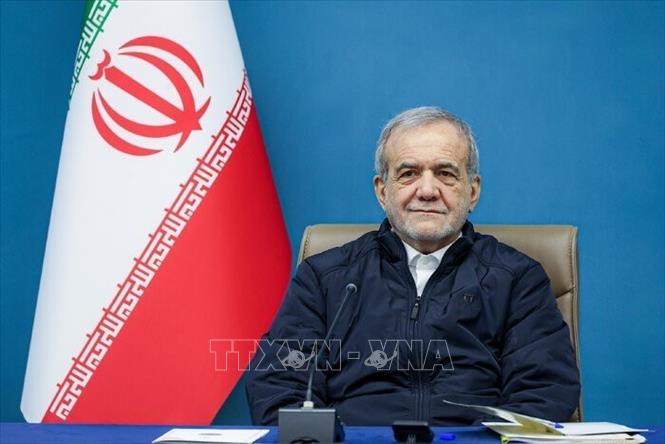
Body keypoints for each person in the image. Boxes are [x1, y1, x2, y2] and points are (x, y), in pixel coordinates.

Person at [246, 106, 580, 426]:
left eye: (446, 174)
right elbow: (280, 385)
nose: (428, 190)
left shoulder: (517, 279)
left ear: (473, 191)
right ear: (382, 191)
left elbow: (544, 390)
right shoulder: (324, 278)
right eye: (409, 174)